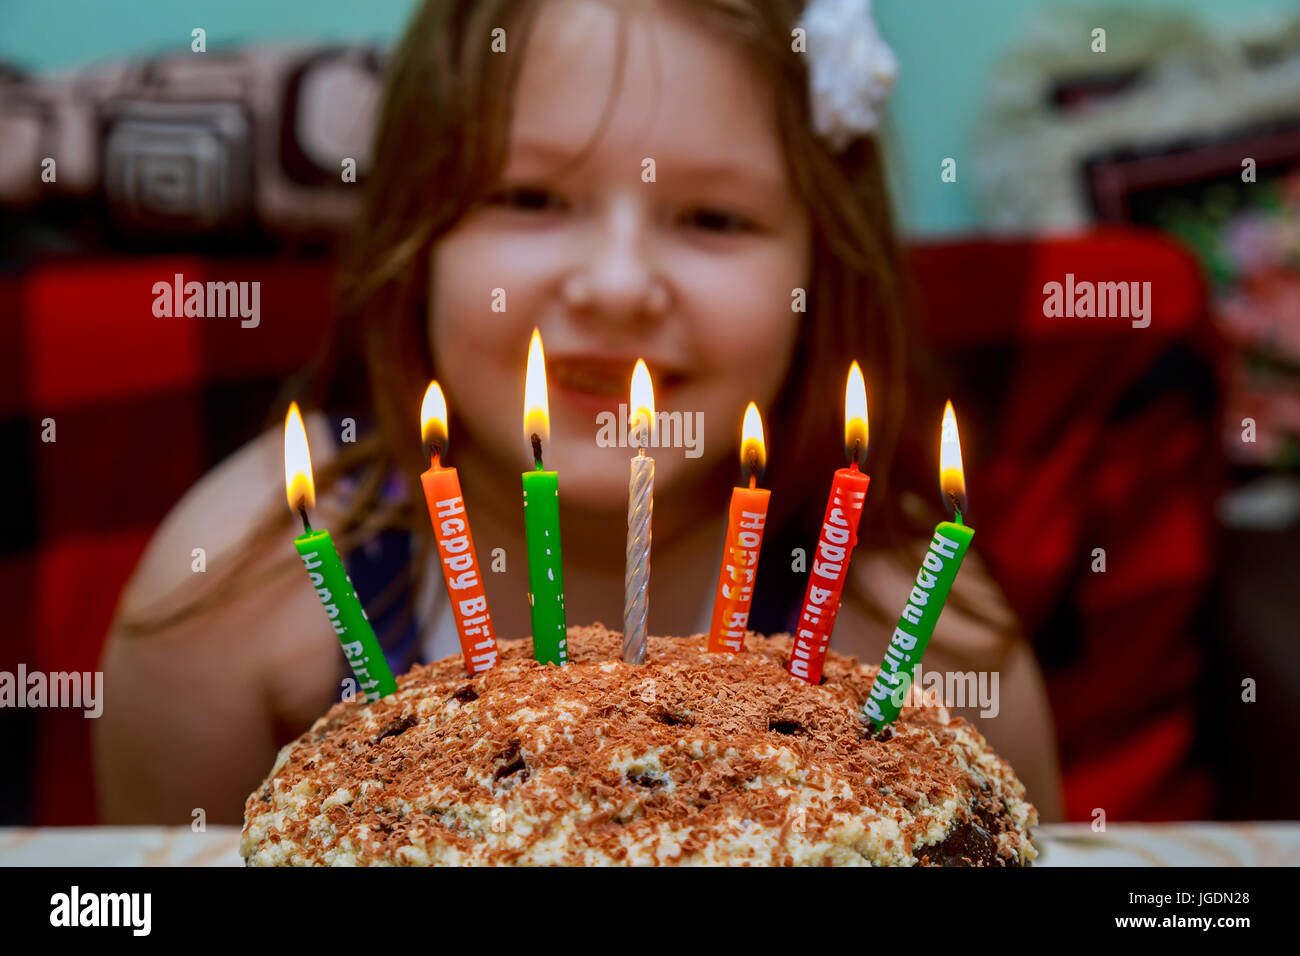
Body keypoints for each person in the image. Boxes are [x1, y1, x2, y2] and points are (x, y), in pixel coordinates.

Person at [94, 0, 1063, 825]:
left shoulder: (916, 630)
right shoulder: (242, 584)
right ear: (413, 236)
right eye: (530, 197)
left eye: (713, 218)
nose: (616, 284)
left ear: (825, 268)